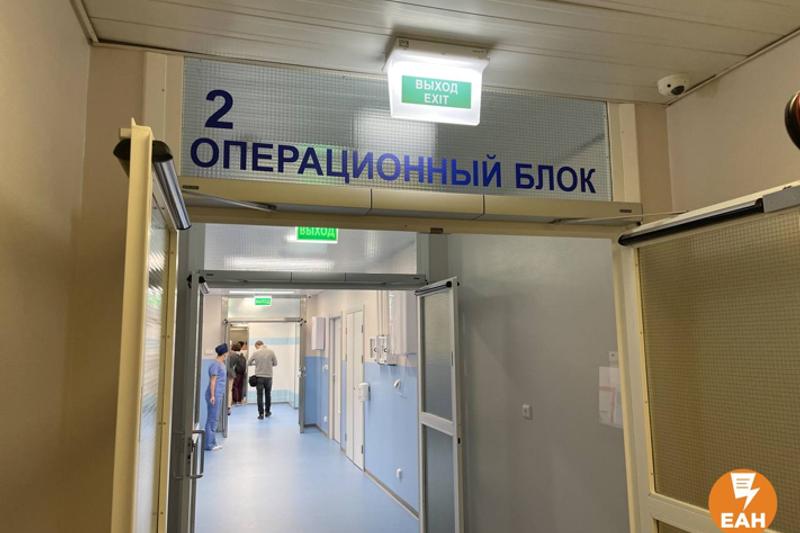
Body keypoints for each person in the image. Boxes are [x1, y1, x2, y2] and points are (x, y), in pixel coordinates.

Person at [205, 343, 228, 451]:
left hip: (218, 394)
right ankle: (209, 445)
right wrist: (213, 396)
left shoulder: (221, 364)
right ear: (225, 353)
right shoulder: (215, 365)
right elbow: (213, 381)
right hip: (214, 395)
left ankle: (212, 442)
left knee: (214, 418)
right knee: (212, 419)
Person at [248, 340, 278, 420]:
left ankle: (261, 414)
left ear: (257, 345)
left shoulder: (256, 353)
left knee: (259, 395)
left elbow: (248, 363)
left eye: (256, 347)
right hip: (269, 377)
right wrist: (268, 364)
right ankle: (267, 412)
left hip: (259, 377)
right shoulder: (271, 352)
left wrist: (256, 364)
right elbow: (275, 363)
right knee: (268, 395)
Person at [225, 342, 241, 415]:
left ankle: (223, 406)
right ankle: (228, 407)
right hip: (231, 374)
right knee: (229, 390)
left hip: (224, 372)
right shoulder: (237, 356)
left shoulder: (227, 354)